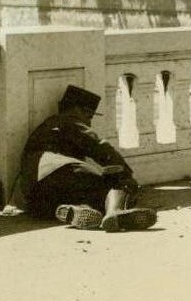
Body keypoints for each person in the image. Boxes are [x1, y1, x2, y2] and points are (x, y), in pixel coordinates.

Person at [19, 84, 157, 231]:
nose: (89, 122)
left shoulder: (47, 126)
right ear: (77, 109)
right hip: (59, 168)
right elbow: (99, 146)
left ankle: (78, 210)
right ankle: (115, 213)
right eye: (88, 115)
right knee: (120, 183)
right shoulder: (69, 120)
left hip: (34, 191)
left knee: (90, 194)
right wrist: (125, 173)